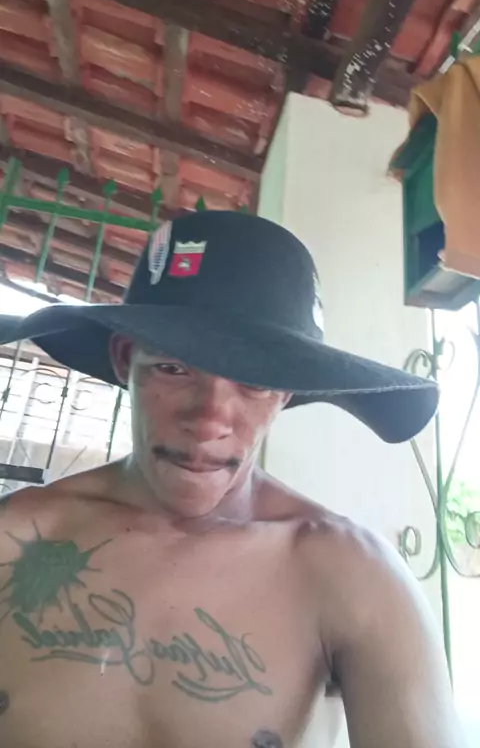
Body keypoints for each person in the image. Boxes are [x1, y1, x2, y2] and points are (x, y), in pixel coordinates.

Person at [0, 211, 465, 748]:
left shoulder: (350, 575)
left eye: (254, 382)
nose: (209, 421)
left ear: (285, 393)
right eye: (174, 368)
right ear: (126, 359)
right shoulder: (15, 536)